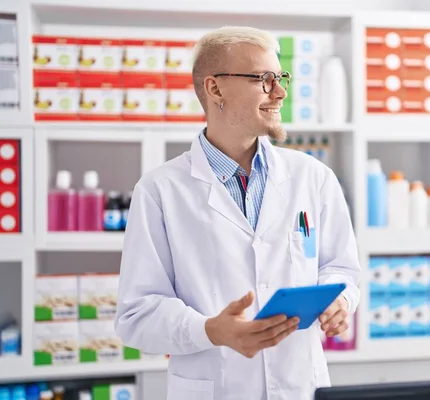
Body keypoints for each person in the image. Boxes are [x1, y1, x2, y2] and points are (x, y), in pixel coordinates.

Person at [114, 26, 361, 400]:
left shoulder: (313, 177)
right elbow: (137, 316)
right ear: (215, 90)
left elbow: (341, 268)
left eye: (281, 78)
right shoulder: (159, 191)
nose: (280, 92)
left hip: (300, 387)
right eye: (264, 80)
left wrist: (340, 301)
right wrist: (210, 330)